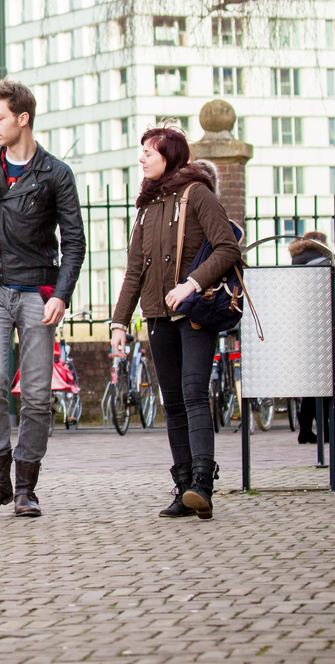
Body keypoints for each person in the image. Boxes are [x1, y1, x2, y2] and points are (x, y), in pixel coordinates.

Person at [0, 81, 85, 518]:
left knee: (35, 395)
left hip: (37, 292)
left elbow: (74, 242)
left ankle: (27, 487)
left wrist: (62, 296)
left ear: (22, 118)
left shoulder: (56, 174)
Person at [110, 128, 240, 520]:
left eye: (148, 152)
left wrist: (192, 283)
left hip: (195, 313)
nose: (142, 159)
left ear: (170, 155)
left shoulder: (197, 194)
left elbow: (227, 247)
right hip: (156, 316)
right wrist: (119, 322)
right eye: (142, 151)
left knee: (195, 394)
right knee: (174, 403)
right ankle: (184, 488)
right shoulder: (147, 207)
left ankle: (203, 484)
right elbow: (135, 271)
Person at [288, 234, 335, 446]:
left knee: (309, 386)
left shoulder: (296, 261)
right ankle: (326, 432)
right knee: (325, 384)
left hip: (300, 328)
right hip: (321, 324)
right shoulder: (322, 261)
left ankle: (305, 431)